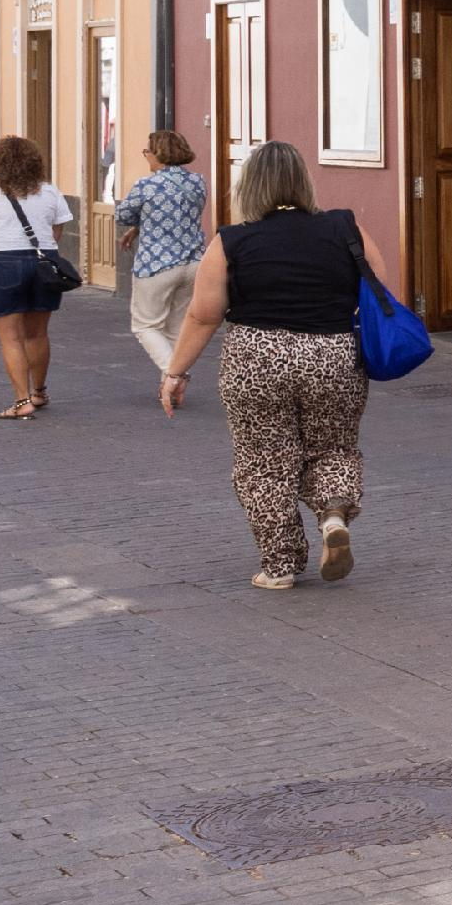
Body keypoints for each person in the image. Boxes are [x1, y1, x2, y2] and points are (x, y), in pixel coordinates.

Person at [160, 142, 405, 591]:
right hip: (332, 355)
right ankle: (333, 514)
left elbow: (203, 314)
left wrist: (175, 372)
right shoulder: (345, 227)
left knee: (264, 462)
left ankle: (280, 566)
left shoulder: (231, 241)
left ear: (248, 186)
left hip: (256, 358)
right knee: (334, 448)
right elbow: (379, 286)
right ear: (303, 180)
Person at [0, 134, 76, 419]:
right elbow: (56, 232)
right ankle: (39, 391)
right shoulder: (49, 192)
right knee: (37, 333)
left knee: (11, 338)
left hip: (4, 261)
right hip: (43, 262)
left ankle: (21, 400)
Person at [109, 128, 212, 374]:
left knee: (145, 325)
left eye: (147, 151)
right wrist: (140, 226)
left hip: (156, 264)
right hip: (193, 261)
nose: (145, 156)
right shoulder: (197, 182)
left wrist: (137, 223)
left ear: (157, 153)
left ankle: (174, 375)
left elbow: (122, 215)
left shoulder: (146, 184)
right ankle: (173, 382)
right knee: (177, 328)